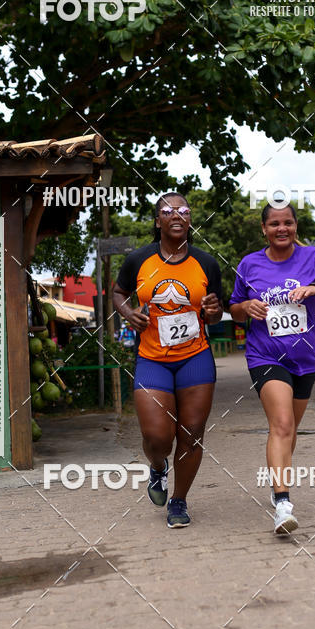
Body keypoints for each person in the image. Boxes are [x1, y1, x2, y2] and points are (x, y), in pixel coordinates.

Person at [229, 203, 315, 535]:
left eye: (287, 222)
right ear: (264, 229)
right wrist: (246, 306)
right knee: (281, 424)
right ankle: (283, 504)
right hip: (265, 356)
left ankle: (276, 480)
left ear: (296, 226)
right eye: (274, 224)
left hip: (305, 359)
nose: (281, 228)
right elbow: (235, 309)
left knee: (290, 430)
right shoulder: (249, 264)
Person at [113, 193, 223, 528]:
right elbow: (118, 292)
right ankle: (158, 467)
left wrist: (213, 312)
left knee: (191, 433)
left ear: (190, 219)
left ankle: (179, 500)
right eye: (168, 211)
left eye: (184, 210)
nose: (177, 215)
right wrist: (128, 313)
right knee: (158, 437)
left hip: (195, 358)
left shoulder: (206, 262)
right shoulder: (139, 260)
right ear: (157, 220)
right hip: (153, 359)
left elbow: (215, 313)